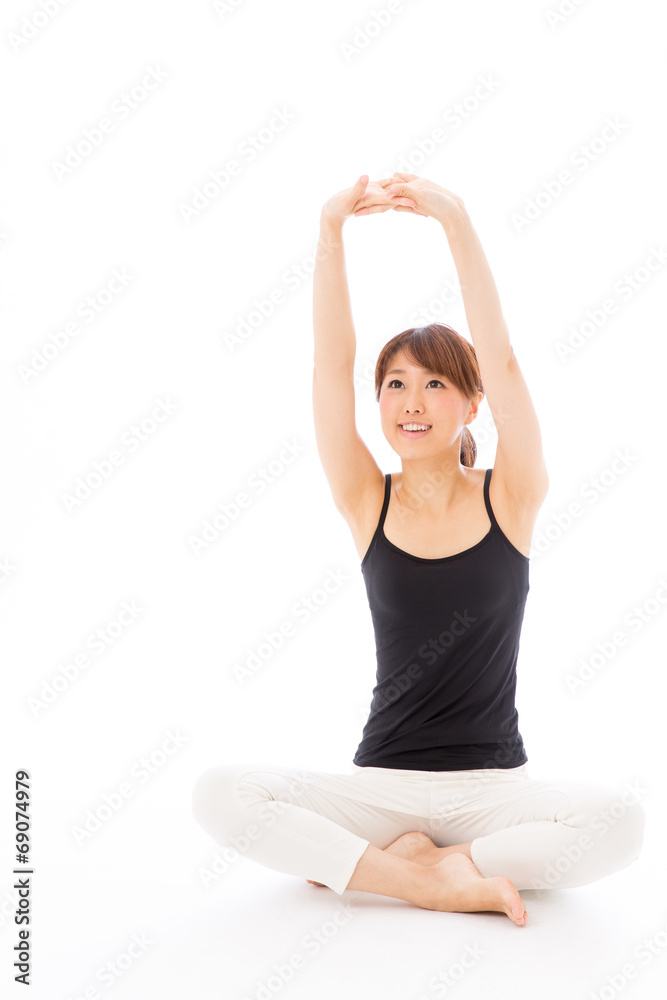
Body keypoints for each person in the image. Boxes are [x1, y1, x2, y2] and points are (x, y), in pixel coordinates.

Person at [191, 173, 646, 926]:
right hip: (381, 786)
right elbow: (328, 368)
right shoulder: (367, 501)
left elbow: (501, 361)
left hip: (491, 790)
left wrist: (455, 219)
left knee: (620, 823)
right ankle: (424, 883)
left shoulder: (512, 496)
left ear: (469, 406)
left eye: (434, 384)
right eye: (395, 384)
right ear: (378, 406)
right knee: (219, 791)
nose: (410, 401)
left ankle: (426, 865)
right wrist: (330, 231)